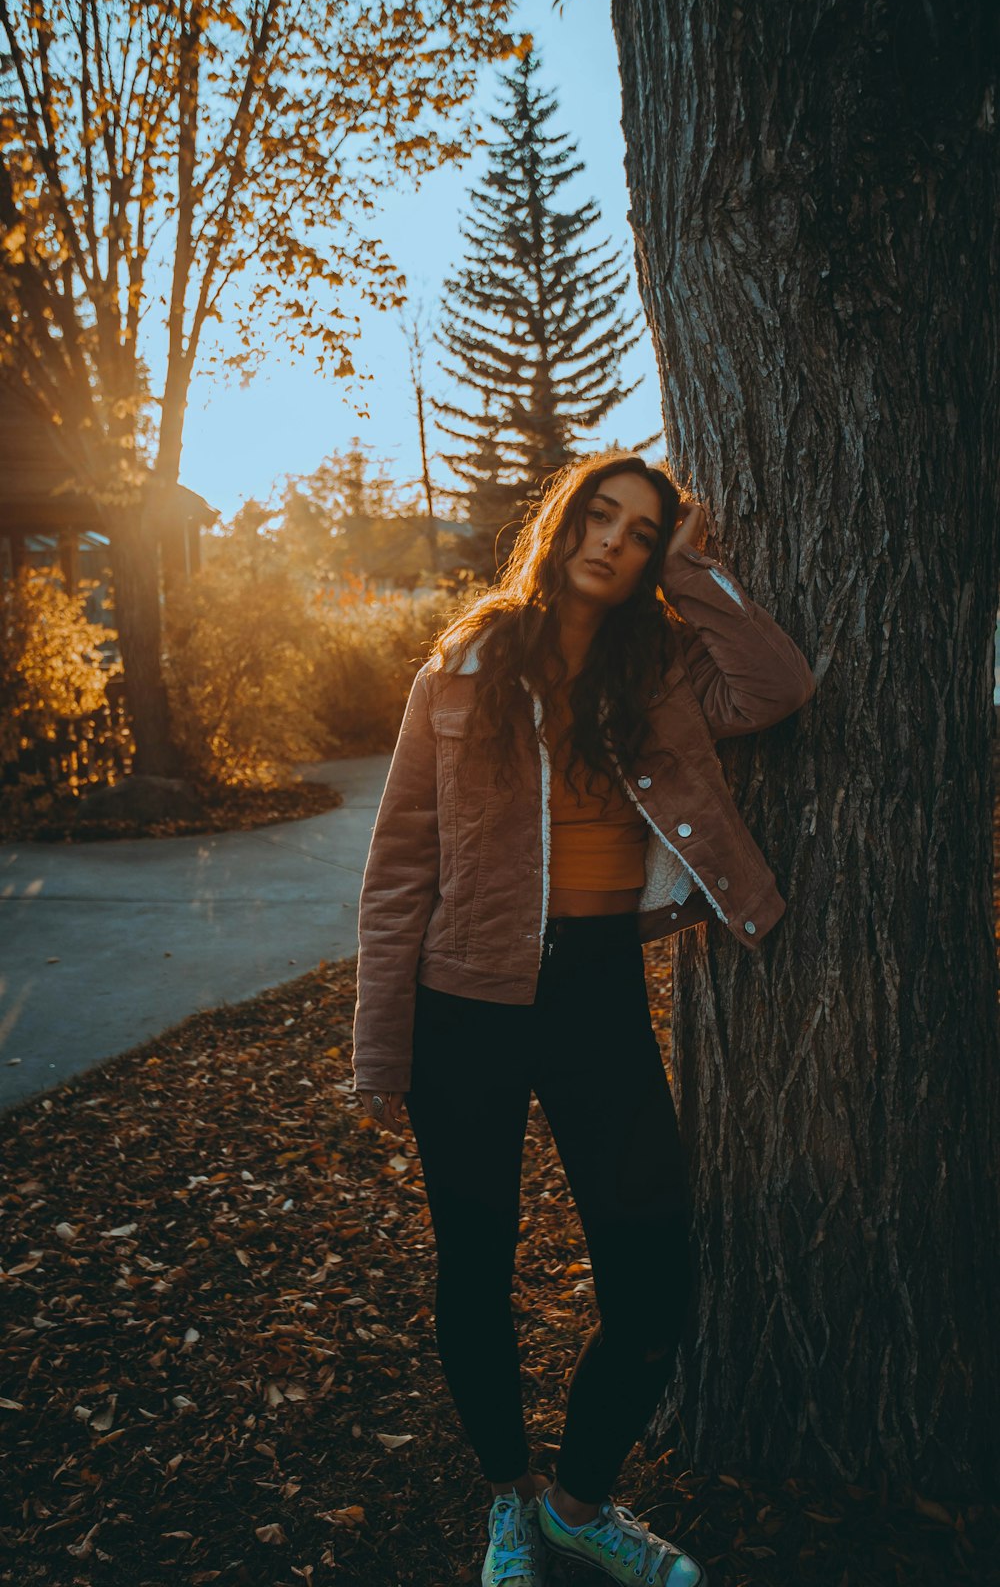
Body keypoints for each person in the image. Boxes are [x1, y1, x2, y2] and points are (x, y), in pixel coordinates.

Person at [351, 451, 816, 1587]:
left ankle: (579, 1501)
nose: (613, 540)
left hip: (597, 991)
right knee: (476, 1267)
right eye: (598, 515)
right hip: (463, 999)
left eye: (642, 531)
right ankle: (508, 1499)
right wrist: (379, 1040)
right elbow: (400, 862)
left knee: (652, 1271)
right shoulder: (458, 667)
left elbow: (775, 686)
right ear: (561, 524)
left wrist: (697, 570)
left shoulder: (658, 666)